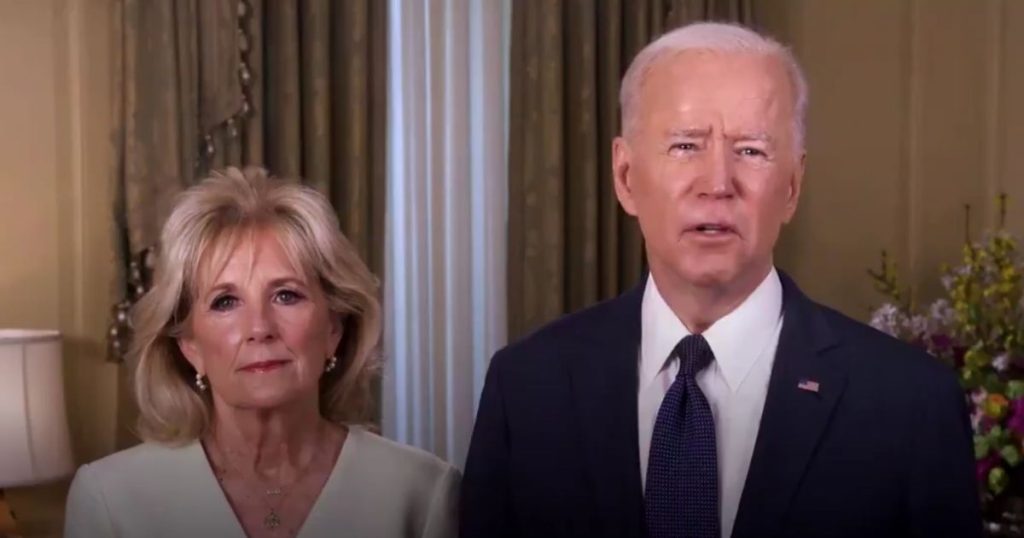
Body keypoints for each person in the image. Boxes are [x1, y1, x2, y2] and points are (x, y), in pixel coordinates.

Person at [460, 22, 980, 538]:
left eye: (751, 150)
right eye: (686, 146)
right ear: (625, 177)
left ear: (792, 186)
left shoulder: (910, 404)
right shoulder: (526, 389)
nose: (717, 184)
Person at [65, 167, 459, 538]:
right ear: (189, 346)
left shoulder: (420, 492)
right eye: (225, 302)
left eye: (286, 295)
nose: (260, 328)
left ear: (333, 329)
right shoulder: (110, 500)